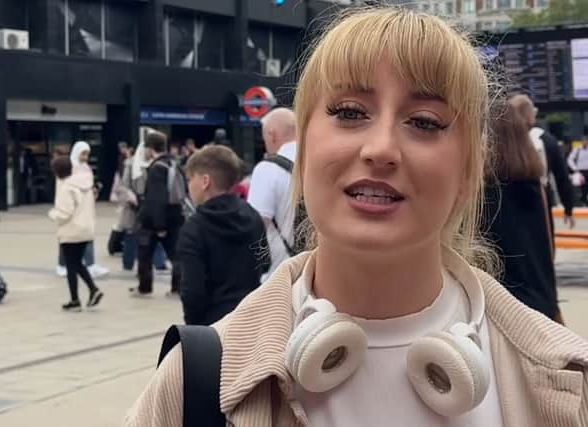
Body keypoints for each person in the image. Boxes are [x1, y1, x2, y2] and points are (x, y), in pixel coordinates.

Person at [126, 8, 588, 426]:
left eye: (425, 121)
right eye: (349, 112)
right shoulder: (198, 381)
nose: (381, 148)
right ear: (303, 151)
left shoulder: (568, 380)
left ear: (469, 172)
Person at [481, 101, 559, 320]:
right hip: (542, 301)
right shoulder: (536, 186)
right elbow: (548, 248)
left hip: (505, 310)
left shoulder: (481, 194)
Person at [177, 145, 268, 325]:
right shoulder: (252, 216)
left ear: (205, 181)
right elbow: (265, 263)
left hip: (212, 324)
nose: (188, 186)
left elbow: (192, 290)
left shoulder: (194, 228)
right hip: (250, 319)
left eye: (190, 179)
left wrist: (194, 327)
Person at [509, 94, 576, 229]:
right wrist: (568, 208)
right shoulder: (546, 140)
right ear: (531, 115)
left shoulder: (501, 140)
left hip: (507, 205)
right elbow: (562, 176)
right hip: (539, 201)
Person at [48, 156, 103, 312]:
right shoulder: (85, 184)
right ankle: (93, 289)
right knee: (77, 262)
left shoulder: (66, 187)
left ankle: (75, 300)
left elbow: (64, 213)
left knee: (71, 265)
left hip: (71, 230)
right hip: (86, 228)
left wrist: (52, 214)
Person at [248, 107, 297, 278]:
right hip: (320, 272)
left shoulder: (267, 169)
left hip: (279, 272)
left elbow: (256, 224)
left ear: (272, 134)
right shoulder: (321, 163)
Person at [134, 131, 185, 296]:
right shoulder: (174, 163)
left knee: (145, 254)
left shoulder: (157, 168)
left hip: (154, 221)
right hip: (175, 216)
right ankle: (177, 287)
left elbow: (157, 198)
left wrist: (159, 225)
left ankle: (144, 287)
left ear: (150, 148)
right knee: (175, 254)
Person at [56, 141, 109, 278]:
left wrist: (93, 191)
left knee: (87, 235)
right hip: (72, 208)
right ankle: (62, 265)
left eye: (87, 154)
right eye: (83, 153)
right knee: (67, 237)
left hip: (86, 208)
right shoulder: (68, 167)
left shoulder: (86, 168)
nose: (85, 157)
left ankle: (90, 264)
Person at [120, 141, 168, 272]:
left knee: (151, 234)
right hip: (133, 204)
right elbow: (124, 184)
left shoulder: (155, 165)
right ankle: (128, 263)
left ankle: (159, 263)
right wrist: (130, 195)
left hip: (149, 204)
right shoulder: (130, 164)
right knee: (131, 234)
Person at [567, 135, 588, 206]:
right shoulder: (577, 149)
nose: (585, 142)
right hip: (580, 171)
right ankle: (581, 202)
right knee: (581, 188)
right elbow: (570, 159)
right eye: (583, 140)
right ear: (581, 141)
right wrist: (575, 169)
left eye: (586, 140)